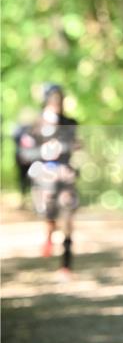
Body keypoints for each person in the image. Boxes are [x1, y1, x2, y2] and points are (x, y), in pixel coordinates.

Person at [18, 84, 79, 276]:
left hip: (65, 177)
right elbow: (24, 154)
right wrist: (44, 154)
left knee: (68, 214)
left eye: (59, 99)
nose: (56, 103)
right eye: (52, 99)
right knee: (50, 215)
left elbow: (77, 148)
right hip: (44, 178)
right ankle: (49, 235)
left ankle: (66, 264)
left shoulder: (70, 123)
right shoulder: (34, 127)